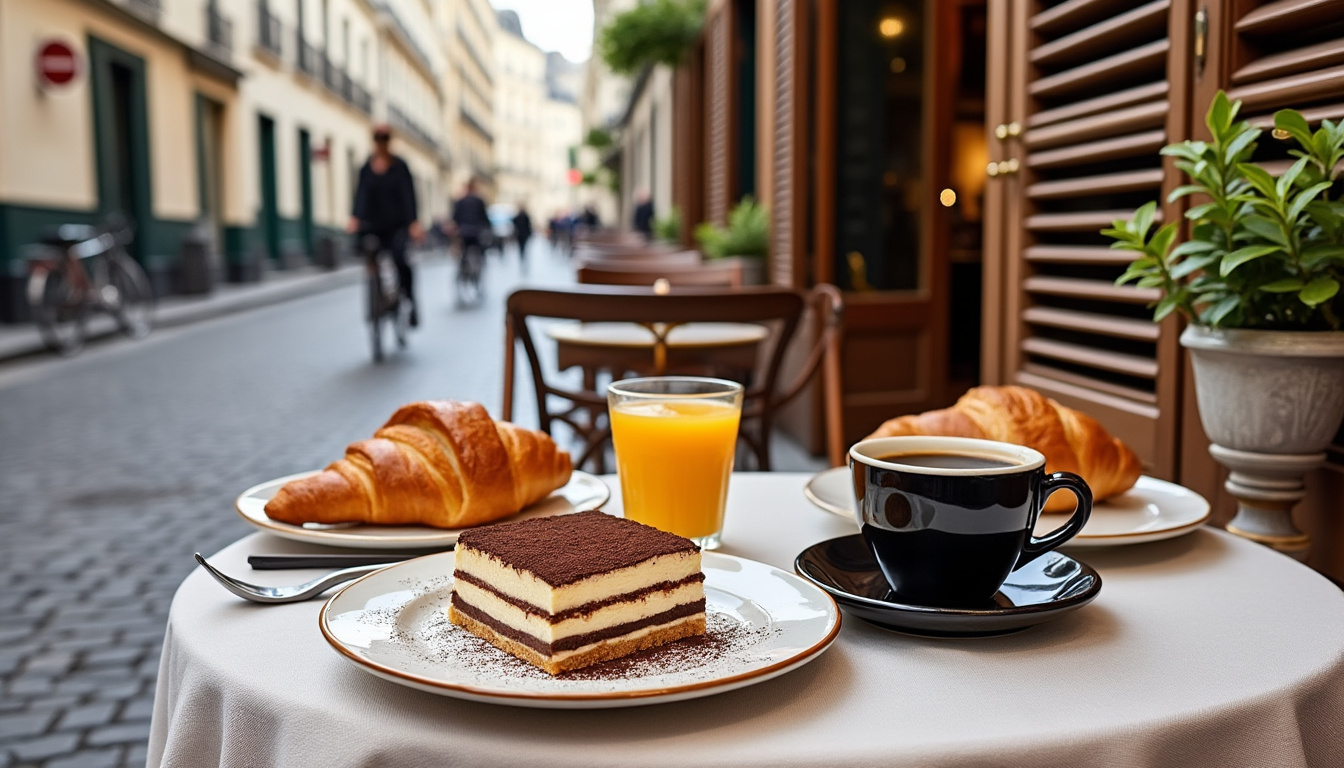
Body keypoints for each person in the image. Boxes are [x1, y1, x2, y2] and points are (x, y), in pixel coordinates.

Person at [348, 125, 422, 326]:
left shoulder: (400, 167)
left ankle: (410, 301)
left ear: (389, 141)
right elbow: (360, 195)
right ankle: (375, 295)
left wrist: (413, 222)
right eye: (378, 139)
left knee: (401, 260)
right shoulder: (366, 168)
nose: (381, 143)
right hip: (372, 225)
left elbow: (409, 196)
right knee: (369, 254)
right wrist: (355, 217)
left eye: (385, 139)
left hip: (397, 225)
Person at [451, 177, 490, 280]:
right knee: (480, 252)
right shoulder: (479, 201)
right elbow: (485, 218)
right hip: (477, 232)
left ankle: (463, 267)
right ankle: (478, 271)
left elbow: (455, 218)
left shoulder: (460, 201)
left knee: (464, 251)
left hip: (463, 232)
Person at [512, 203, 533, 270]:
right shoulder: (525, 216)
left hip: (519, 234)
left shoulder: (518, 217)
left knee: (521, 247)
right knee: (523, 246)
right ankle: (523, 256)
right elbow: (529, 226)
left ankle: (522, 256)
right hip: (524, 234)